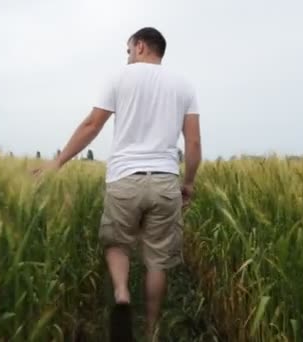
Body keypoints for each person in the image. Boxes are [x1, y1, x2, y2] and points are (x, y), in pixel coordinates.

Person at [35, 27, 202, 341]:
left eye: (128, 51)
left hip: (125, 179)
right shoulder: (184, 85)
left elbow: (92, 125)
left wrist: (58, 162)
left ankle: (122, 294)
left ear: (139, 46)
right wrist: (188, 183)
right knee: (157, 261)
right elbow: (192, 143)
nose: (127, 57)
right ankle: (151, 330)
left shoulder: (118, 79)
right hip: (166, 181)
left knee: (116, 243)